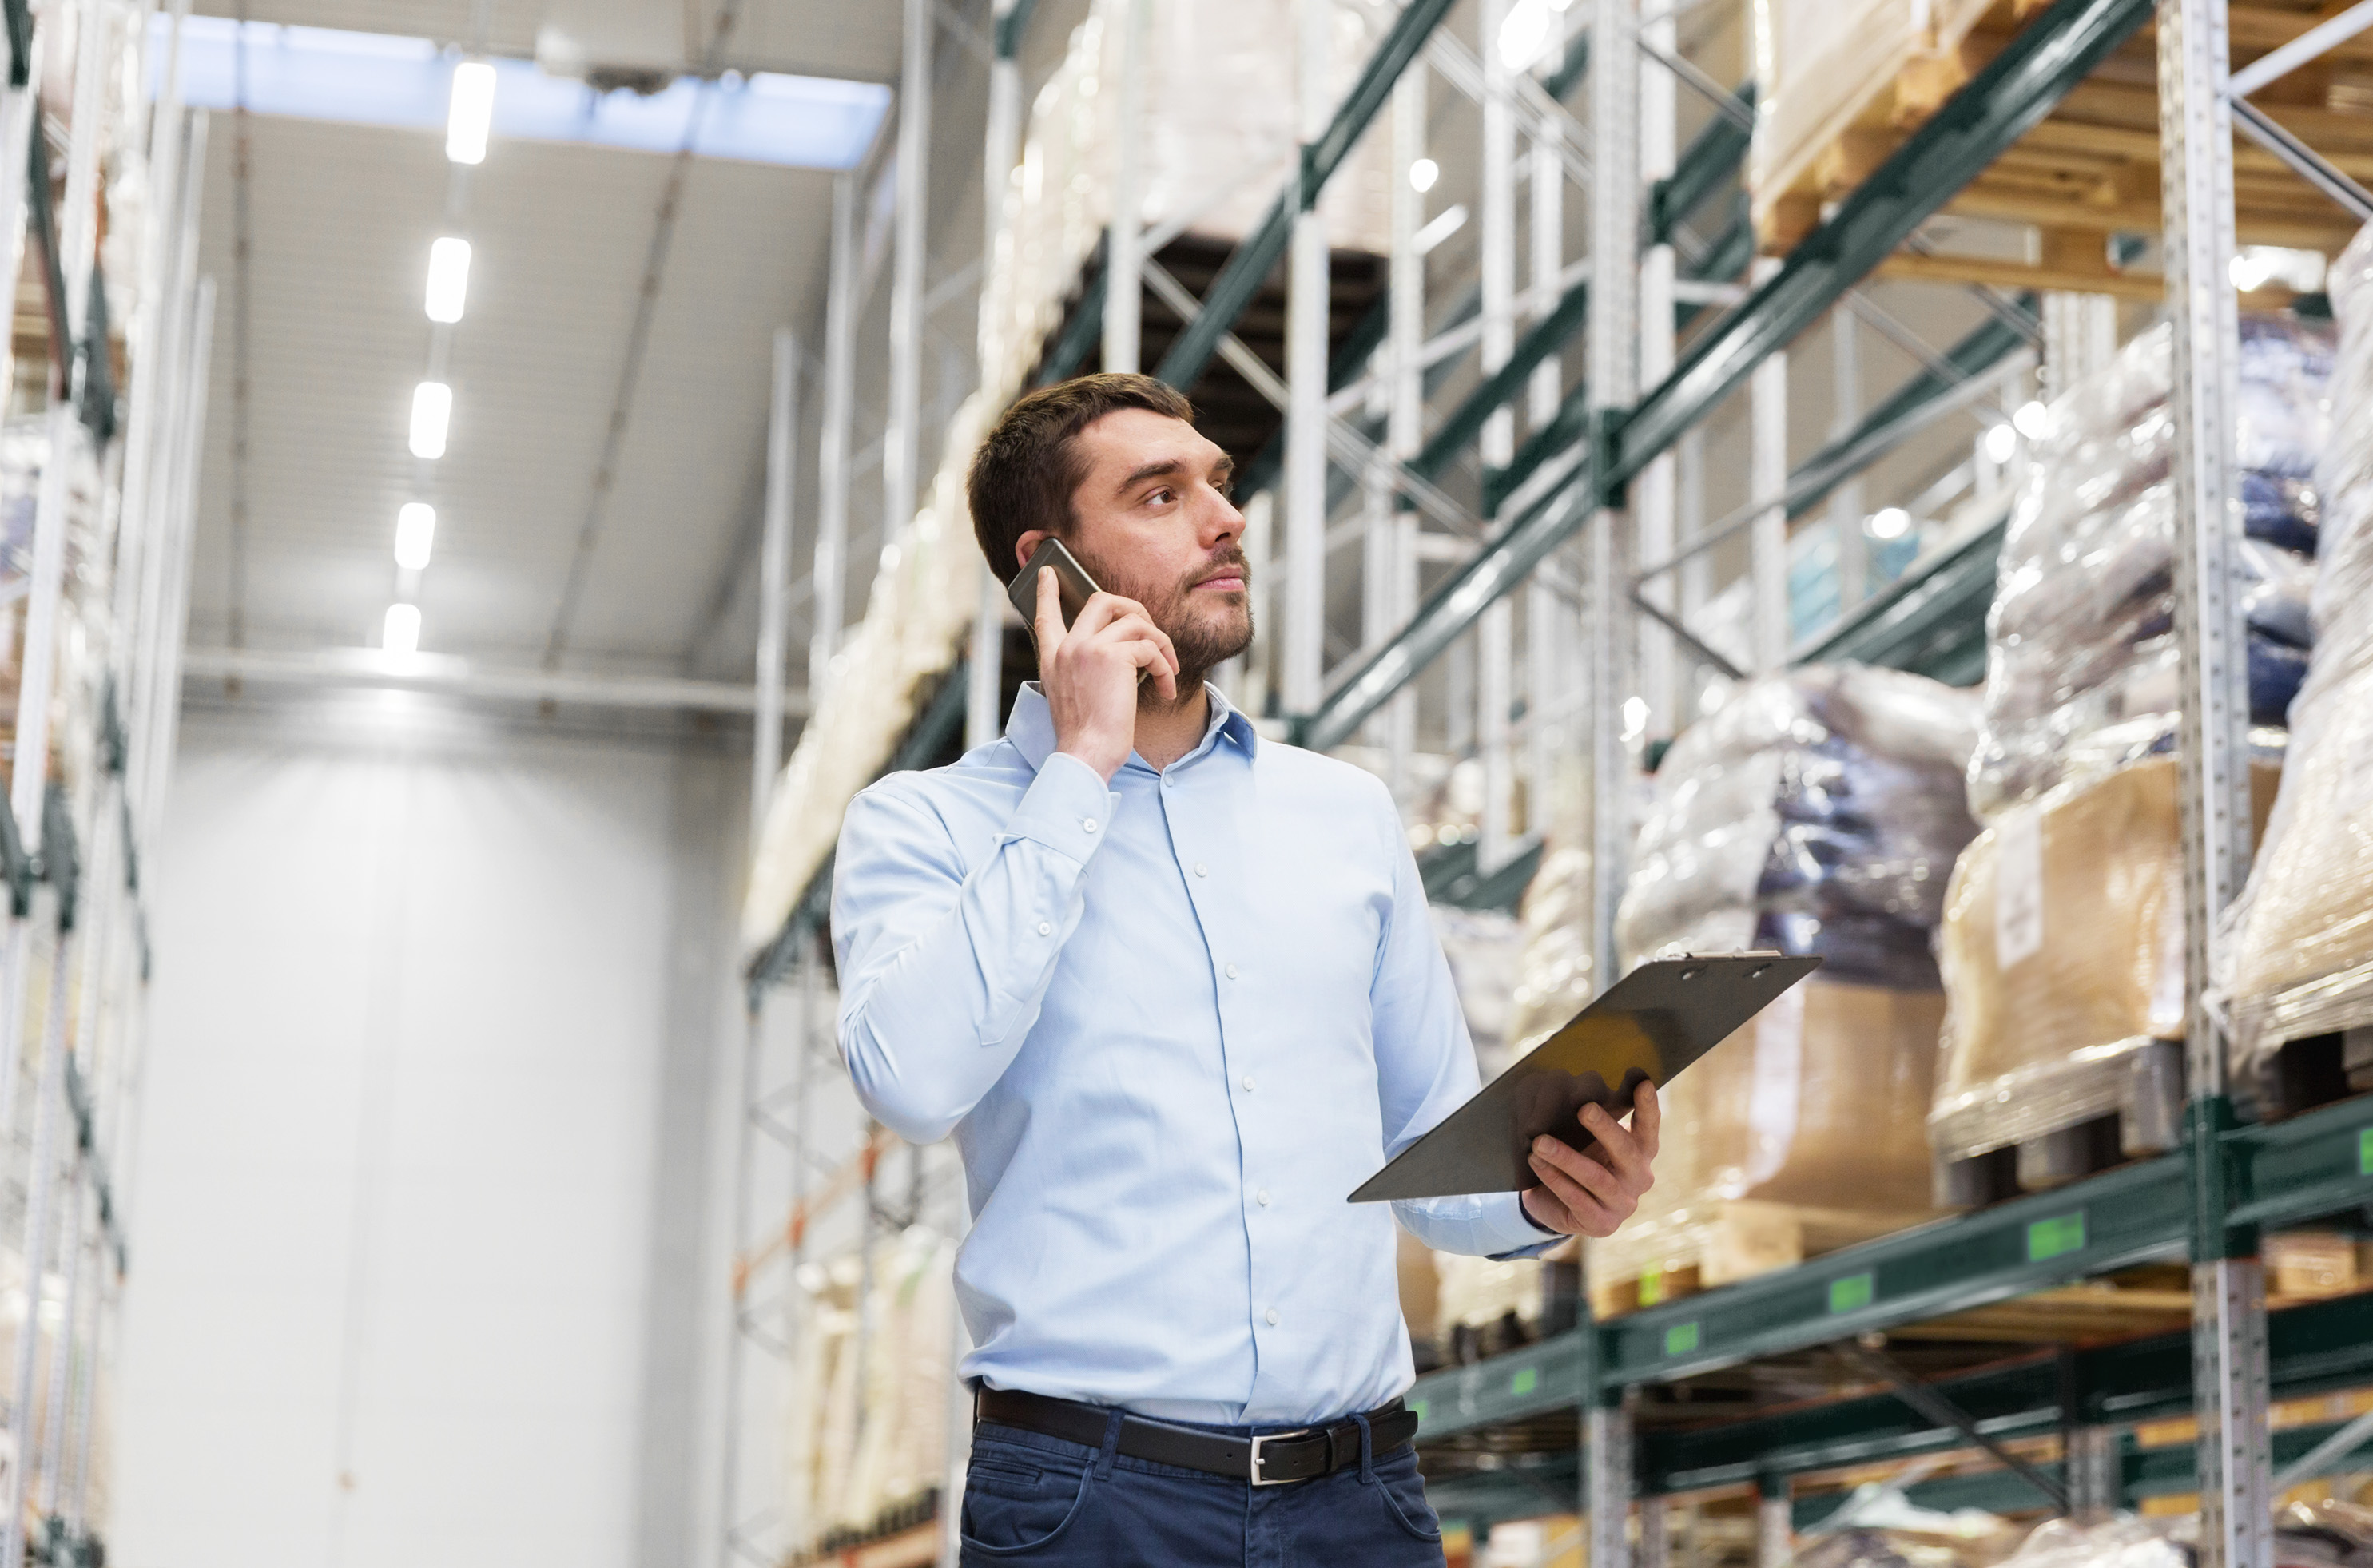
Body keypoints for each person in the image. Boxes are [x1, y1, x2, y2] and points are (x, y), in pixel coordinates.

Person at [832, 373, 1660, 1567]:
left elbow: (1428, 1154)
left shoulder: (1345, 816)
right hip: (1087, 1504)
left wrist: (1545, 1195)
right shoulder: (926, 828)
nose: (1224, 519)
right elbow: (912, 1081)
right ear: (1045, 566)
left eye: (1218, 486)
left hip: (1360, 1500)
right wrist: (1079, 770)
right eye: (1160, 495)